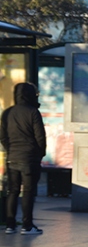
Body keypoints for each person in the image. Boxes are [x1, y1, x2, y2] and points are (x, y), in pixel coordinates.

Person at [0, 82, 46, 235]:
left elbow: (3, 136)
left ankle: (10, 225)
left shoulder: (7, 113)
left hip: (12, 157)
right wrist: (40, 153)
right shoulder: (33, 112)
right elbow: (40, 137)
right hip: (29, 158)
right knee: (28, 192)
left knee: (12, 191)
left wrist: (10, 149)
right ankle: (27, 225)